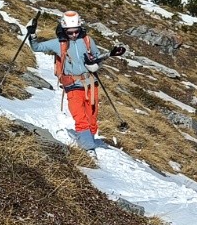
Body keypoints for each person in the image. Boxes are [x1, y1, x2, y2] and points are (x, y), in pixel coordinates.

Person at [26, 11, 125, 149]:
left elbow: (96, 57)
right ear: (63, 29)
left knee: (92, 118)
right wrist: (32, 34)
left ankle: (88, 139)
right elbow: (36, 47)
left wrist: (102, 60)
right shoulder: (58, 43)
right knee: (80, 117)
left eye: (76, 31)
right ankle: (88, 148)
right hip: (72, 85)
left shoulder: (88, 41)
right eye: (69, 32)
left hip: (90, 84)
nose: (73, 35)